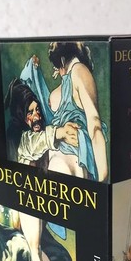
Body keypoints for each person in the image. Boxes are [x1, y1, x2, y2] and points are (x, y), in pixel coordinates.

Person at [4, 79, 79, 261]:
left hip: (36, 206)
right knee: (35, 250)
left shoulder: (33, 132)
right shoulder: (18, 137)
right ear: (20, 114)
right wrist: (59, 133)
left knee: (57, 256)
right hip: (22, 209)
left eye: (37, 110)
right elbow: (34, 144)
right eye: (30, 112)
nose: (36, 116)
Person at [20, 42, 108, 182]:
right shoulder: (70, 80)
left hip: (64, 162)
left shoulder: (78, 71)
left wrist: (103, 177)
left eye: (56, 66)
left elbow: (95, 124)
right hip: (61, 163)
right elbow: (95, 126)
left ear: (62, 60)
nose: (56, 71)